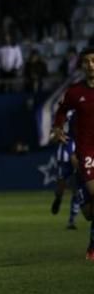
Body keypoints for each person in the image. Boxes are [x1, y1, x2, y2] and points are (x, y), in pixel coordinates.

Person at [52, 48, 94, 258]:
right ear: (82, 66)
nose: (91, 65)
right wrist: (58, 128)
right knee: (88, 213)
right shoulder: (75, 92)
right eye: (87, 62)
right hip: (86, 150)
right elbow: (60, 111)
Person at [51, 109, 82, 230]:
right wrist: (57, 137)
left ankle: (72, 220)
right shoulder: (65, 112)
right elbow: (54, 134)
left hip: (80, 150)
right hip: (64, 152)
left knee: (77, 186)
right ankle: (58, 198)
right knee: (61, 185)